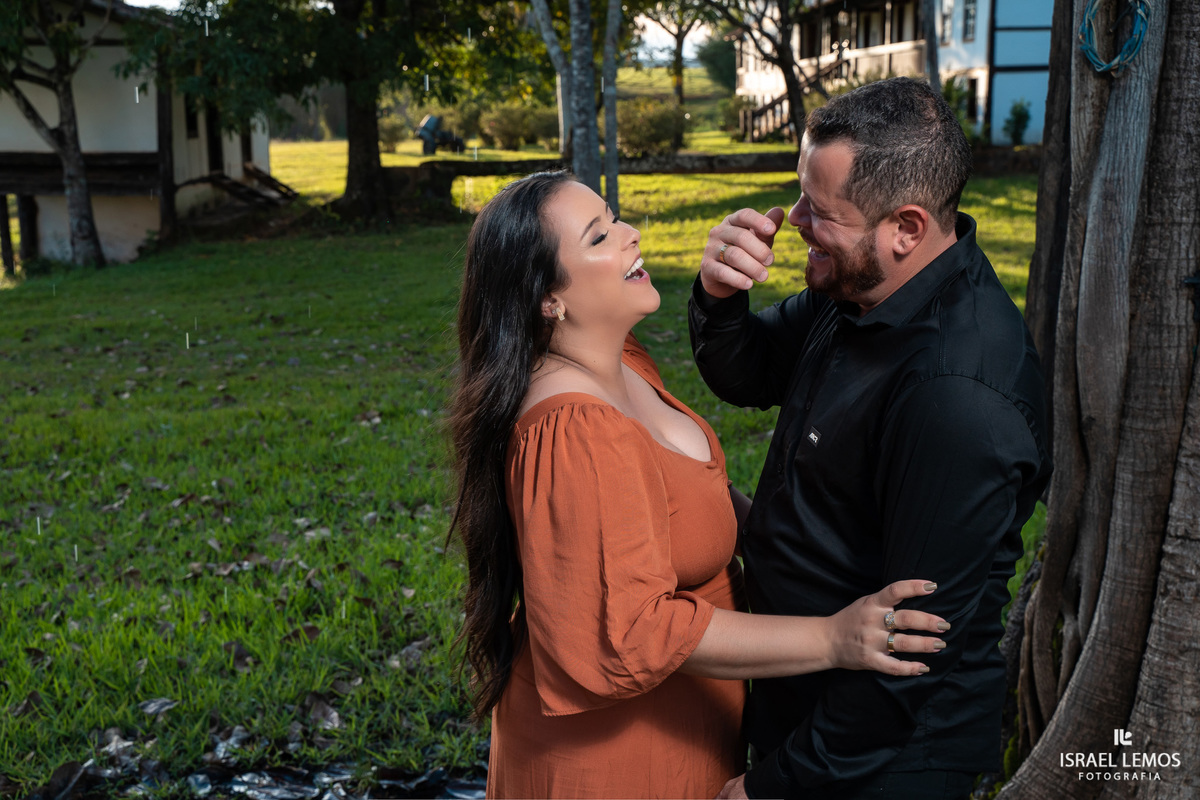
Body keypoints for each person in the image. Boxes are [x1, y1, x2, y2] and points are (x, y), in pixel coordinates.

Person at [449, 170, 953, 800]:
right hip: (619, 757)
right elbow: (633, 628)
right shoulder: (574, 429)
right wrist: (835, 637)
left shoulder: (620, 359)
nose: (631, 233)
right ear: (550, 298)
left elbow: (678, 500)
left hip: (686, 724)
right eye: (600, 235)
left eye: (616, 217)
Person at [688, 77, 1053, 800]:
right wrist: (719, 296)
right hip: (803, 693)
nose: (792, 219)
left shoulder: (956, 397)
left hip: (882, 759)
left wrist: (773, 789)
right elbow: (752, 370)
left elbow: (909, 656)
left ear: (906, 228)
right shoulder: (862, 284)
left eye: (819, 211)